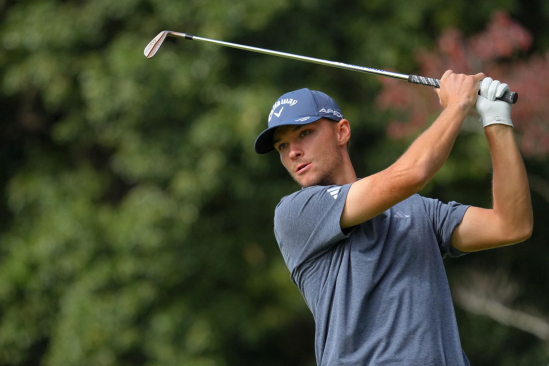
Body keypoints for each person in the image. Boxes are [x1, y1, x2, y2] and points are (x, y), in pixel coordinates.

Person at [253, 71, 533, 366]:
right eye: (282, 146)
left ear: (342, 132)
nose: (293, 152)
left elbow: (512, 225)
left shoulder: (419, 210)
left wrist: (496, 120)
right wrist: (457, 105)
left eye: (304, 133)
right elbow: (412, 175)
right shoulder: (296, 213)